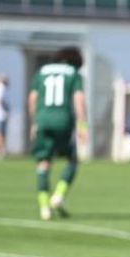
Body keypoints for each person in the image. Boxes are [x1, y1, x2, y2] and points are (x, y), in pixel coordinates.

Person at [28, 47, 87, 220]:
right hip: (63, 121)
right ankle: (59, 196)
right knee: (72, 160)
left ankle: (44, 207)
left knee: (43, 163)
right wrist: (83, 125)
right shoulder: (73, 73)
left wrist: (34, 122)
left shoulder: (42, 71)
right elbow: (79, 99)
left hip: (43, 121)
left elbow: (32, 98)